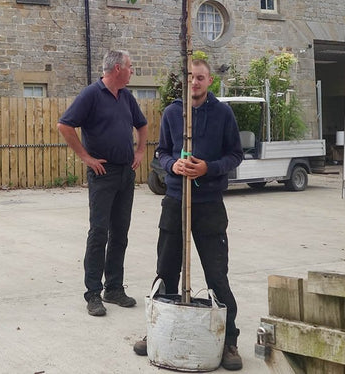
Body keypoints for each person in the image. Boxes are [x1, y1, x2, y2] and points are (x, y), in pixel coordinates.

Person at [133, 59, 244, 370]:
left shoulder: (223, 113)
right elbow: (162, 153)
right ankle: (156, 329)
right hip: (175, 201)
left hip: (209, 203)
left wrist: (209, 167)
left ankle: (229, 339)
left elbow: (236, 154)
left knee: (217, 276)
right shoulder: (172, 113)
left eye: (200, 77)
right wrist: (173, 166)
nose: (194, 83)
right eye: (190, 78)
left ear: (209, 81)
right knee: (165, 272)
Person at [57, 49, 148, 317]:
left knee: (120, 232)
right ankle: (93, 294)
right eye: (130, 67)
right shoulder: (91, 95)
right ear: (117, 68)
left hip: (125, 174)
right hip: (103, 174)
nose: (133, 71)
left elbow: (142, 125)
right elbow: (64, 125)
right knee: (99, 233)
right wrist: (85, 157)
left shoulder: (127, 97)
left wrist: (141, 151)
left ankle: (114, 289)